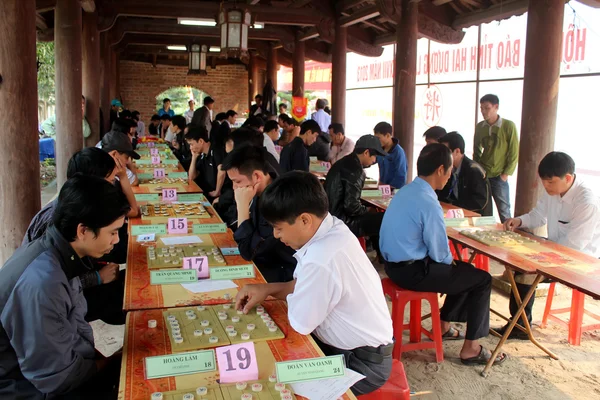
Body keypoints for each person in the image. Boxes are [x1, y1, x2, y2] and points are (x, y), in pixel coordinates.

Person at [235, 171, 394, 395]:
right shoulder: (329, 228)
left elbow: (300, 323)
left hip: (360, 363)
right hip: (351, 349)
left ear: (305, 220)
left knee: (271, 383)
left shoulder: (322, 257)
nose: (276, 235)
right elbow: (300, 285)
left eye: (279, 228)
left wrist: (278, 293)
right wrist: (267, 289)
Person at [0, 175, 129, 399]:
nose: (116, 240)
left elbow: (74, 330)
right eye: (113, 232)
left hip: (54, 373)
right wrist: (111, 363)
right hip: (27, 388)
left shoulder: (61, 255)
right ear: (83, 231)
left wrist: (104, 361)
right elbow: (56, 376)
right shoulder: (42, 282)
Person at [380, 144, 506, 366]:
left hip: (393, 265)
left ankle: (445, 325)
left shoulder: (407, 191)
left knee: (464, 271)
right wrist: (452, 264)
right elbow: (440, 253)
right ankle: (471, 348)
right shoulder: (428, 202)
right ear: (440, 170)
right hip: (412, 272)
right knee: (481, 279)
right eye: (449, 171)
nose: (450, 176)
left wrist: (453, 265)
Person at [22, 148, 129, 325]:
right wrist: (98, 277)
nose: (112, 187)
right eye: (110, 181)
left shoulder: (76, 208)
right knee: (128, 296)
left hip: (76, 285)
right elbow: (62, 282)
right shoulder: (55, 222)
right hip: (72, 291)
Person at [499, 151, 600, 338]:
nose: (546, 186)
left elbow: (574, 247)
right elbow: (538, 215)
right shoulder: (553, 191)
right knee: (516, 260)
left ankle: (520, 325)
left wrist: (539, 254)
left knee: (524, 270)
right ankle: (520, 322)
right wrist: (519, 221)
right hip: (556, 249)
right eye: (544, 182)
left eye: (550, 182)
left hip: (580, 260)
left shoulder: (586, 202)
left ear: (568, 178)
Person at [222, 145, 296, 282]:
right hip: (264, 265)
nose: (234, 188)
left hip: (281, 274)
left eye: (237, 182)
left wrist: (242, 205)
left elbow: (248, 251)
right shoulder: (262, 190)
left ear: (256, 176)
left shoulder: (277, 203)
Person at [324, 135, 387, 256]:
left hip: (330, 215)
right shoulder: (356, 170)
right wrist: (368, 210)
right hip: (342, 220)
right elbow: (351, 207)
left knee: (375, 215)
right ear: (366, 152)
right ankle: (383, 258)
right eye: (374, 156)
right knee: (383, 219)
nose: (374, 161)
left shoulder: (343, 162)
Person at [474, 94, 519, 222]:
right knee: (484, 210)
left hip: (499, 175)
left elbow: (514, 152)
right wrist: (477, 171)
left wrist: (505, 174)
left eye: (487, 108)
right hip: (484, 174)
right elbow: (476, 150)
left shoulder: (508, 126)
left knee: (504, 211)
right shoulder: (480, 126)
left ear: (496, 107)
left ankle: (508, 238)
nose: (483, 111)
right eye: (481, 108)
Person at [438, 132, 492, 216]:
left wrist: (454, 205)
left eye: (446, 152)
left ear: (457, 151)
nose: (442, 156)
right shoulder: (450, 167)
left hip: (477, 219)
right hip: (458, 214)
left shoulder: (474, 170)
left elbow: (480, 201)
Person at [185, 126, 225, 203]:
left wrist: (217, 191)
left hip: (216, 196)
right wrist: (194, 157)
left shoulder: (216, 149)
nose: (190, 148)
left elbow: (222, 171)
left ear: (200, 141)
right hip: (205, 193)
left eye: (191, 144)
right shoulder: (202, 154)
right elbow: (191, 177)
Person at [373, 121, 407, 190]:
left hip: (394, 192)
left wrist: (390, 190)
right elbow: (371, 160)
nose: (376, 141)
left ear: (388, 135)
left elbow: (401, 177)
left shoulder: (398, 152)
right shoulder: (379, 150)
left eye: (378, 138)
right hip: (382, 189)